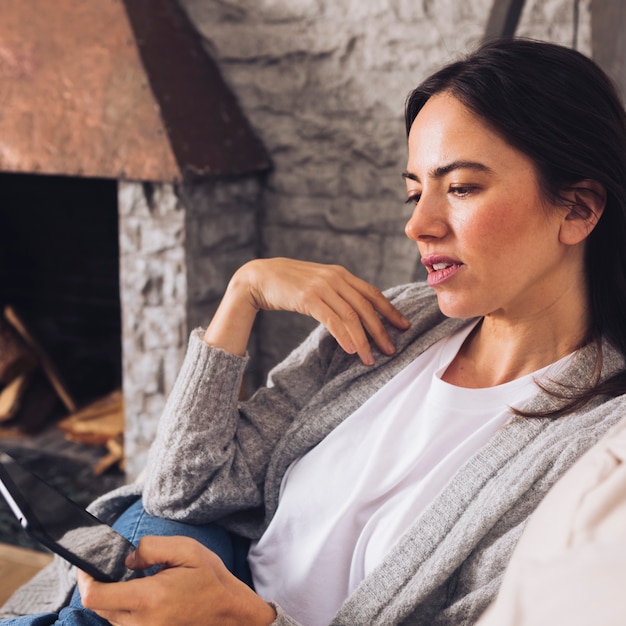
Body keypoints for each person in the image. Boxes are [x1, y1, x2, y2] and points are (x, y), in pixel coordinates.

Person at [2, 36, 626, 625]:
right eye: (414, 193)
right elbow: (184, 489)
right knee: (146, 530)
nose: (420, 225)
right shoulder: (392, 325)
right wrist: (242, 292)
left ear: (578, 209)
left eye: (460, 187)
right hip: (214, 585)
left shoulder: (599, 457)